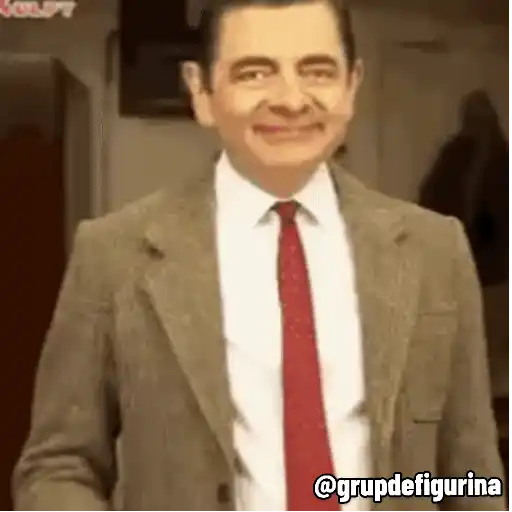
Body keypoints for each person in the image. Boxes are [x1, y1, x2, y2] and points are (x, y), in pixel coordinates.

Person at [12, 1, 506, 511]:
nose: (291, 100)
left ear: (352, 85)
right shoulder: (114, 254)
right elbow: (59, 464)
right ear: (201, 91)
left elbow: (471, 477)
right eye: (255, 73)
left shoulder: (436, 251)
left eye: (317, 71)